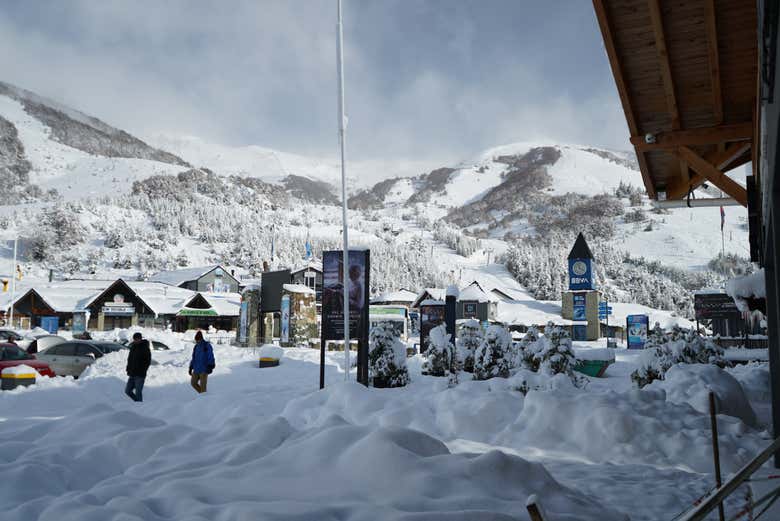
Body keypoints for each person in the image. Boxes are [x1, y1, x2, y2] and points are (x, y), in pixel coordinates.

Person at [125, 332, 151, 402]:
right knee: (127, 391)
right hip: (132, 374)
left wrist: (142, 370)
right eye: (134, 339)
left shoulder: (145, 348)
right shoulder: (133, 347)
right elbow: (129, 359)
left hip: (140, 375)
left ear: (140, 339)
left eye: (137, 339)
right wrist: (128, 369)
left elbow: (147, 361)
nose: (135, 340)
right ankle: (137, 402)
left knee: (138, 392)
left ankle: (139, 407)